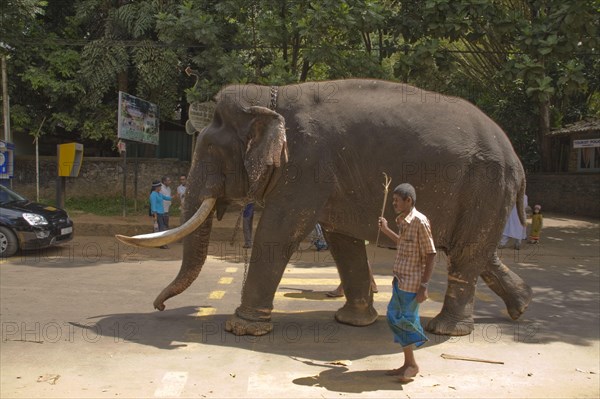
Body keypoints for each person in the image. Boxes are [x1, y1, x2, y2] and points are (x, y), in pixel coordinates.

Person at [378, 183, 436, 383]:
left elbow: (431, 254)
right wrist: (386, 230)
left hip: (412, 283)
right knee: (394, 317)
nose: (393, 204)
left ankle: (412, 364)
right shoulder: (402, 220)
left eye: (396, 201)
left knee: (406, 320)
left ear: (408, 200)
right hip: (400, 279)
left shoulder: (420, 221)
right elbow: (402, 243)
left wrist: (424, 286)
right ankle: (407, 362)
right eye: (392, 200)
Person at [150, 180, 172, 249]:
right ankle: (162, 244)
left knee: (159, 228)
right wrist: (155, 216)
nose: (161, 188)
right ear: (156, 187)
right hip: (158, 214)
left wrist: (175, 196)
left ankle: (157, 242)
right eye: (160, 186)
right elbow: (153, 207)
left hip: (161, 213)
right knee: (161, 229)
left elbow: (166, 198)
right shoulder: (153, 195)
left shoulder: (159, 194)